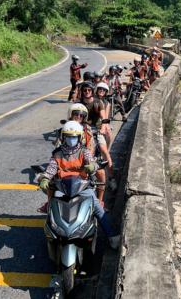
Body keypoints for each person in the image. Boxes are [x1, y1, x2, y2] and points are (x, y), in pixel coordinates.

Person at [38, 121, 120, 249]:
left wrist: (92, 167)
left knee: (97, 208)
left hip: (82, 186)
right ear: (63, 137)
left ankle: (110, 237)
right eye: (69, 136)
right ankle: (52, 238)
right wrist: (45, 178)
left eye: (74, 136)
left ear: (79, 137)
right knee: (53, 209)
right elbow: (51, 168)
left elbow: (92, 163)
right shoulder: (57, 153)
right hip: (62, 187)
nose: (71, 139)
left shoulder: (84, 151)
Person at [76, 81, 118, 191]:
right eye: (85, 90)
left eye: (89, 90)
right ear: (82, 91)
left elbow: (104, 117)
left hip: (96, 130)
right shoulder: (78, 103)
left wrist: (103, 127)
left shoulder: (98, 102)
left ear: (92, 91)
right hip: (81, 131)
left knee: (104, 151)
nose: (87, 92)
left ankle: (112, 178)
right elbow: (72, 117)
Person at [67, 104, 107, 209]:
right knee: (52, 178)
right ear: (71, 114)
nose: (79, 116)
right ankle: (49, 201)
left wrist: (88, 161)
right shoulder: (65, 128)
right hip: (67, 160)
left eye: (82, 115)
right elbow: (58, 147)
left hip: (84, 158)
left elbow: (91, 146)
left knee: (101, 173)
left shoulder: (87, 128)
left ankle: (100, 201)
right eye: (76, 114)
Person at [95, 82, 112, 150]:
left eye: (104, 90)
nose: (102, 91)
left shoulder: (107, 103)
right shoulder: (92, 100)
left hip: (102, 122)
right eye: (100, 89)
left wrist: (106, 126)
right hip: (93, 123)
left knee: (109, 134)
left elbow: (105, 116)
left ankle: (106, 151)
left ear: (106, 92)